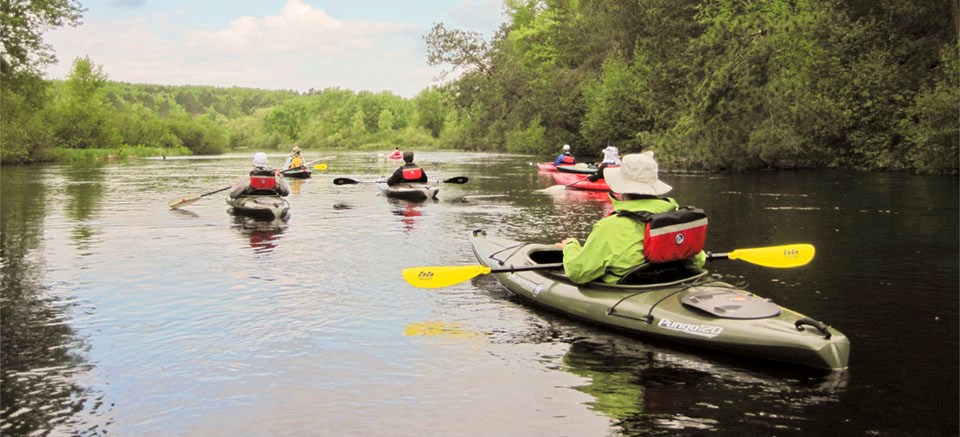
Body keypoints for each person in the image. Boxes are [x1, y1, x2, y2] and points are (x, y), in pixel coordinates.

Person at [557, 151, 706, 284]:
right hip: (672, 284)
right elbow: (699, 260)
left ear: (621, 188)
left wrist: (570, 246)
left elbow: (578, 272)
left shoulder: (610, 227)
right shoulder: (677, 219)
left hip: (630, 294)